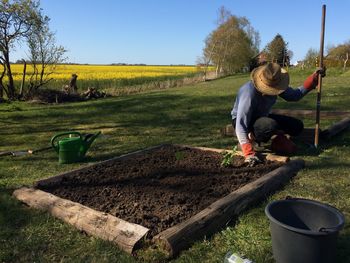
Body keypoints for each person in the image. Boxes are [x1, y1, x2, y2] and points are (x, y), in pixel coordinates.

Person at [231, 62, 326, 166]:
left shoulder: (276, 84)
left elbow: (294, 95)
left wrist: (313, 79)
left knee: (296, 126)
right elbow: (241, 123)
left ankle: (276, 140)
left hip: (262, 117)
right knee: (269, 125)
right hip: (243, 121)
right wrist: (248, 153)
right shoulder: (248, 92)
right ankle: (248, 139)